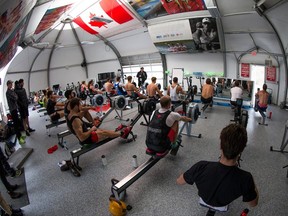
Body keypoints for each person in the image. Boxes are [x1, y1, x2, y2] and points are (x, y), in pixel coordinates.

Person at [177, 124, 259, 209]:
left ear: (220, 145)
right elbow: (253, 204)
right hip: (223, 205)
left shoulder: (201, 166)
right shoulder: (246, 178)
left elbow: (179, 181)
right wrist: (252, 182)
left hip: (204, 200)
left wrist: (189, 173)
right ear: (242, 150)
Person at [67, 98, 132, 145]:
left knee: (102, 131)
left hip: (87, 134)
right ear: (76, 106)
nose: (81, 107)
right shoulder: (75, 120)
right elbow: (82, 138)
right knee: (103, 133)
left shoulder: (70, 115)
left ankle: (117, 132)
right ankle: (122, 133)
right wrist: (91, 130)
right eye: (80, 105)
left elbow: (80, 124)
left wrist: (91, 125)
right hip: (87, 140)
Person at [5, 80, 25, 145]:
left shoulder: (11, 91)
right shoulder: (8, 92)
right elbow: (15, 98)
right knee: (16, 125)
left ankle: (22, 136)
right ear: (8, 85)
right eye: (11, 84)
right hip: (13, 110)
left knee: (19, 123)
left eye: (12, 84)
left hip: (15, 109)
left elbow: (16, 97)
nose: (12, 85)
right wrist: (15, 95)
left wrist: (15, 95)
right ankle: (20, 139)